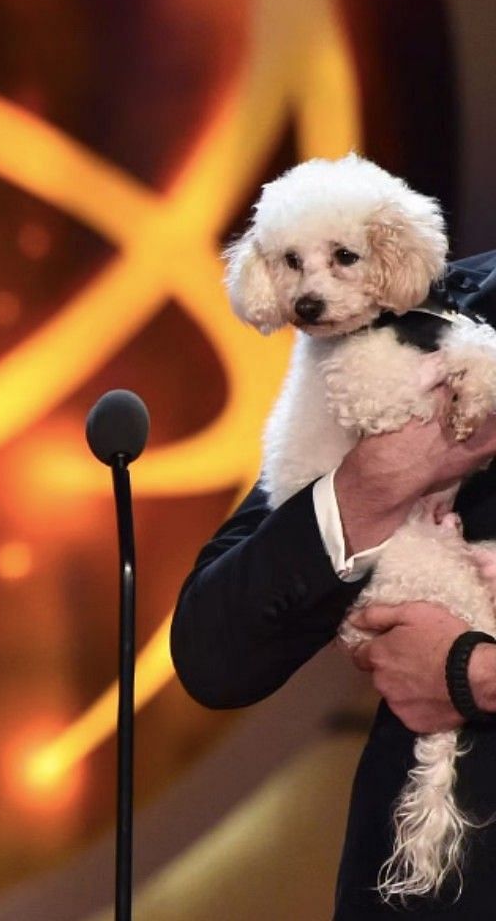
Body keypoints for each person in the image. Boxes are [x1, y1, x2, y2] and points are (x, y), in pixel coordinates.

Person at [173, 253, 496, 918]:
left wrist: (474, 672)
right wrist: (370, 486)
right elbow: (215, 650)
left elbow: (465, 673)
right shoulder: (431, 310)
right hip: (432, 881)